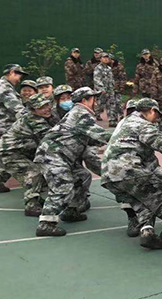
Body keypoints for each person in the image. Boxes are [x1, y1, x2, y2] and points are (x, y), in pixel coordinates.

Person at [101, 98, 162, 250]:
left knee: (141, 202)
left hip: (108, 176)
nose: (156, 120)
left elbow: (148, 159)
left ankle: (147, 232)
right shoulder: (143, 124)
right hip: (129, 171)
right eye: (157, 115)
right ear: (151, 110)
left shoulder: (124, 122)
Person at [34, 87, 112, 237]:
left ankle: (71, 210)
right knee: (62, 185)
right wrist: (127, 138)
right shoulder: (81, 114)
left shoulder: (78, 113)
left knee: (82, 177)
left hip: (63, 156)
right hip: (53, 155)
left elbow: (90, 140)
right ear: (85, 100)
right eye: (94, 98)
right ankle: (46, 223)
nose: (96, 102)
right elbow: (101, 135)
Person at [0, 93, 56, 217]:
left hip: (21, 150)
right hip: (10, 152)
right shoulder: (35, 121)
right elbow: (50, 139)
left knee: (41, 170)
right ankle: (31, 205)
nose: (46, 109)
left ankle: (35, 198)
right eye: (41, 108)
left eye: (47, 105)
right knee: (34, 173)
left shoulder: (39, 117)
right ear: (33, 110)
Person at [0, 64, 30, 193]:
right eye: (19, 75)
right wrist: (29, 117)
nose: (19, 79)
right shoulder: (3, 85)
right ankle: (31, 183)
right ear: (11, 72)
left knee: (15, 153)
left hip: (6, 126)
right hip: (4, 127)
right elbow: (14, 104)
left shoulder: (6, 85)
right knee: (18, 153)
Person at [94, 51, 121, 127]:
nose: (106, 59)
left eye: (107, 57)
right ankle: (95, 115)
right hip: (102, 91)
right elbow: (97, 79)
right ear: (100, 59)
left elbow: (111, 79)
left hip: (110, 90)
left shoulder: (109, 68)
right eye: (104, 57)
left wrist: (113, 87)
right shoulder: (98, 68)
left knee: (111, 104)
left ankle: (112, 120)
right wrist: (101, 89)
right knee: (100, 105)